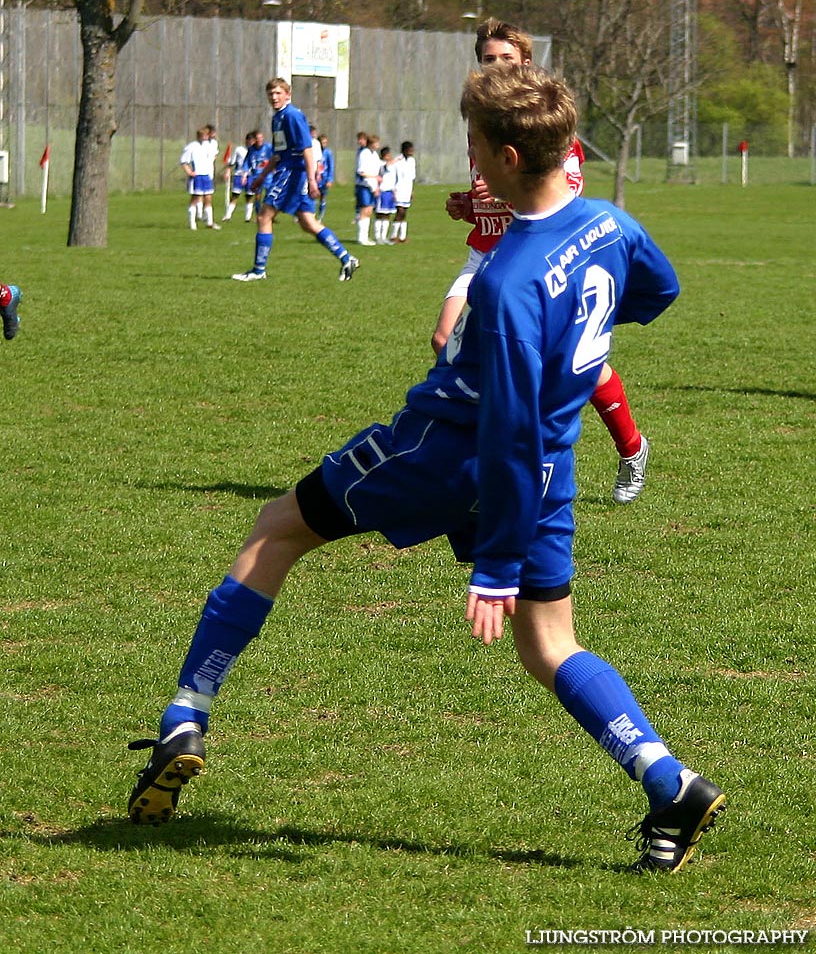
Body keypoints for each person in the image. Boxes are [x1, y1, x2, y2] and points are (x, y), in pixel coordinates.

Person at [127, 64, 725, 874]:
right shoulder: (610, 223)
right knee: (551, 645)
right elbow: (661, 289)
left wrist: (497, 567)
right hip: (553, 470)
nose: (470, 160)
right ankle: (670, 781)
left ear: (510, 155)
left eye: (476, 145)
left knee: (276, 530)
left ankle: (185, 714)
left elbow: (505, 431)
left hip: (448, 454)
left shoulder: (511, 281)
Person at [434, 17, 647, 504]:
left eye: (505, 59)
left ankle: (632, 449)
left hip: (538, 257)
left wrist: (502, 197)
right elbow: (494, 191)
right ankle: (484, 457)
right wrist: (472, 205)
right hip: (488, 254)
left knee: (575, 367)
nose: (495, 67)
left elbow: (566, 193)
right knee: (445, 339)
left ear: (525, 63)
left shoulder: (540, 119)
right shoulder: (478, 121)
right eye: (487, 59)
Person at [231, 79, 359, 284]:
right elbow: (278, 154)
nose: (274, 97)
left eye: (278, 93)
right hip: (288, 171)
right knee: (308, 222)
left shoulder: (293, 116)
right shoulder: (277, 119)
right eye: (271, 93)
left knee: (264, 216)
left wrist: (311, 179)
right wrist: (262, 176)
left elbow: (306, 149)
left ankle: (258, 270)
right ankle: (347, 258)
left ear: (288, 94)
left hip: (292, 173)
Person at [179, 127, 221, 231]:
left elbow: (213, 155)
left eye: (207, 135)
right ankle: (192, 223)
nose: (206, 137)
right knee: (195, 198)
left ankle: (210, 222)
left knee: (208, 198)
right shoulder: (192, 147)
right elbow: (184, 161)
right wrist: (189, 172)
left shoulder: (209, 145)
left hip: (206, 175)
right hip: (197, 176)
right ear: (199, 136)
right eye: (204, 135)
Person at [242, 130, 274, 223]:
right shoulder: (251, 150)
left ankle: (269, 215)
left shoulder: (268, 147)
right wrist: (244, 175)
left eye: (261, 138)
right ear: (255, 139)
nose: (260, 140)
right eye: (258, 138)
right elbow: (247, 163)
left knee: (269, 196)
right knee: (257, 197)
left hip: (268, 175)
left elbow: (274, 157)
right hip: (256, 176)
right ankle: (259, 215)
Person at [355, 134, 381, 246]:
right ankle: (361, 237)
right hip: (364, 185)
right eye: (376, 143)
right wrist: (372, 183)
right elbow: (362, 172)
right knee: (364, 210)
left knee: (369, 210)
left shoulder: (375, 154)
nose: (378, 145)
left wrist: (376, 186)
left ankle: (366, 237)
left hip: (373, 186)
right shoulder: (364, 154)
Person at [389, 141, 416, 243]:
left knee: (404, 213)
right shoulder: (397, 161)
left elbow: (412, 177)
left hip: (407, 190)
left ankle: (402, 237)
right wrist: (393, 190)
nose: (411, 152)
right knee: (400, 212)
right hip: (398, 189)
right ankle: (393, 235)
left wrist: (412, 191)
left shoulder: (412, 161)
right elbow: (392, 176)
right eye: (410, 150)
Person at [222, 133, 252, 222]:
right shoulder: (239, 149)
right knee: (235, 195)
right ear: (246, 141)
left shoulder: (255, 151)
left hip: (250, 176)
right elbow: (232, 162)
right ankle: (228, 216)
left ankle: (248, 218)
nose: (251, 143)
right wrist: (227, 171)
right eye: (250, 141)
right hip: (239, 175)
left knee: (249, 196)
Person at [374, 146, 396, 244]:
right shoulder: (380, 164)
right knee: (380, 214)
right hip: (382, 192)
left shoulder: (392, 166)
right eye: (388, 155)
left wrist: (394, 191)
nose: (390, 157)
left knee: (387, 214)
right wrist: (395, 160)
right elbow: (384, 169)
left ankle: (384, 237)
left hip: (390, 192)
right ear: (384, 156)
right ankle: (378, 237)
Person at [317, 133, 334, 221]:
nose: (324, 144)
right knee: (311, 195)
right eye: (322, 142)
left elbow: (331, 166)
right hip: (316, 177)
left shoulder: (328, 153)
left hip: (324, 178)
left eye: (325, 143)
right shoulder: (315, 151)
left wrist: (330, 179)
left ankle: (320, 216)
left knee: (322, 197)